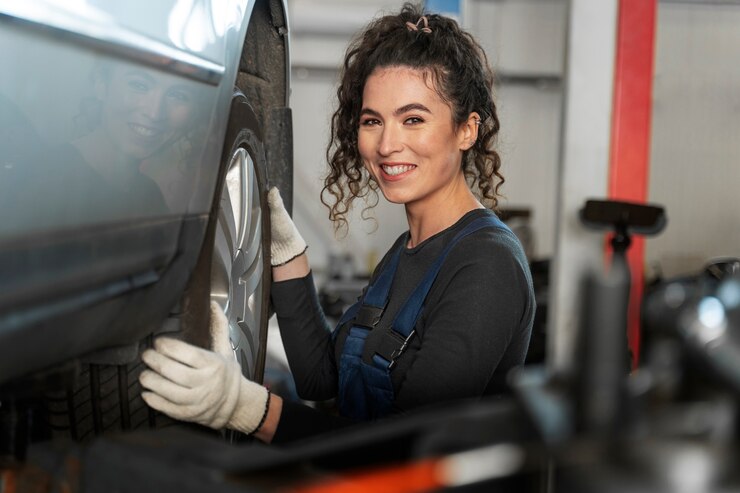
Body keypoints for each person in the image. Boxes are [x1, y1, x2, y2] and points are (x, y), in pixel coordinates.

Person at [139, 3, 535, 445]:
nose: (387, 144)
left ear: (467, 129)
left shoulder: (486, 265)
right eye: (372, 121)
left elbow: (406, 448)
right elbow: (321, 378)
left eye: (413, 119)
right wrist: (288, 258)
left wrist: (246, 408)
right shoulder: (406, 252)